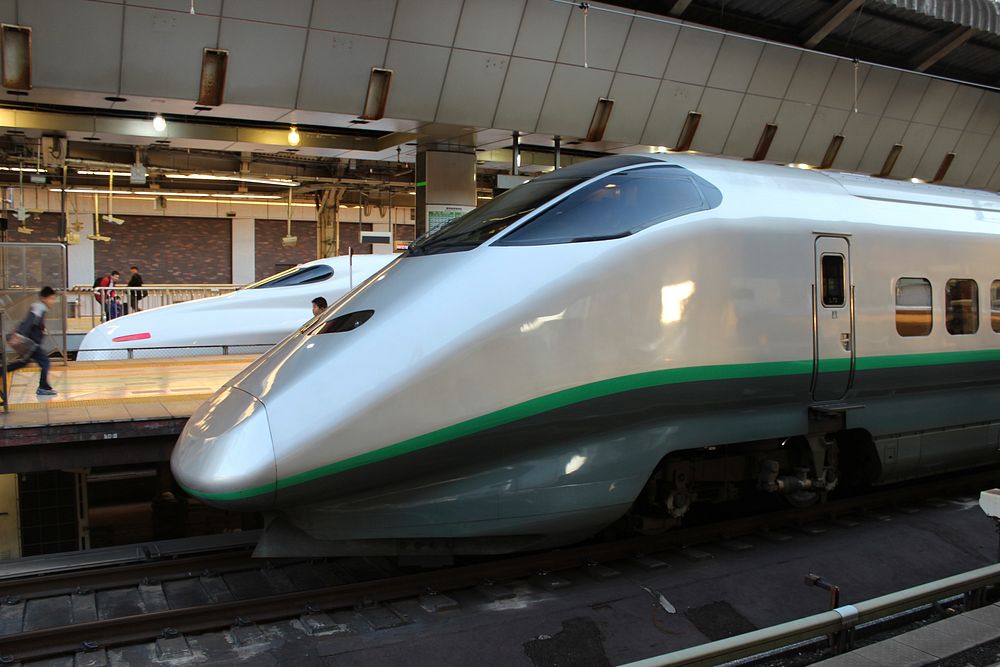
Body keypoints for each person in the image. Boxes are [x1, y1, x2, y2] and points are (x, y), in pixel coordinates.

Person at [7, 286, 57, 396]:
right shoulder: (40, 308)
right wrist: (20, 336)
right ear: (44, 298)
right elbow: (28, 323)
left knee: (23, 363)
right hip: (31, 343)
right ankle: (43, 387)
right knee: (45, 362)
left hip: (30, 342)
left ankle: (2, 370)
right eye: (51, 298)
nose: (52, 301)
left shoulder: (38, 307)